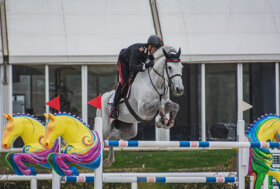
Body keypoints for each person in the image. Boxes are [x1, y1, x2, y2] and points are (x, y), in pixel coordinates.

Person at [109, 35, 164, 119]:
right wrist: (146, 65)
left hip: (135, 63)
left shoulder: (151, 53)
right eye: (156, 50)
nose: (156, 52)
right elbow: (132, 67)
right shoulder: (137, 51)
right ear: (149, 46)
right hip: (124, 62)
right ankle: (114, 107)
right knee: (124, 81)